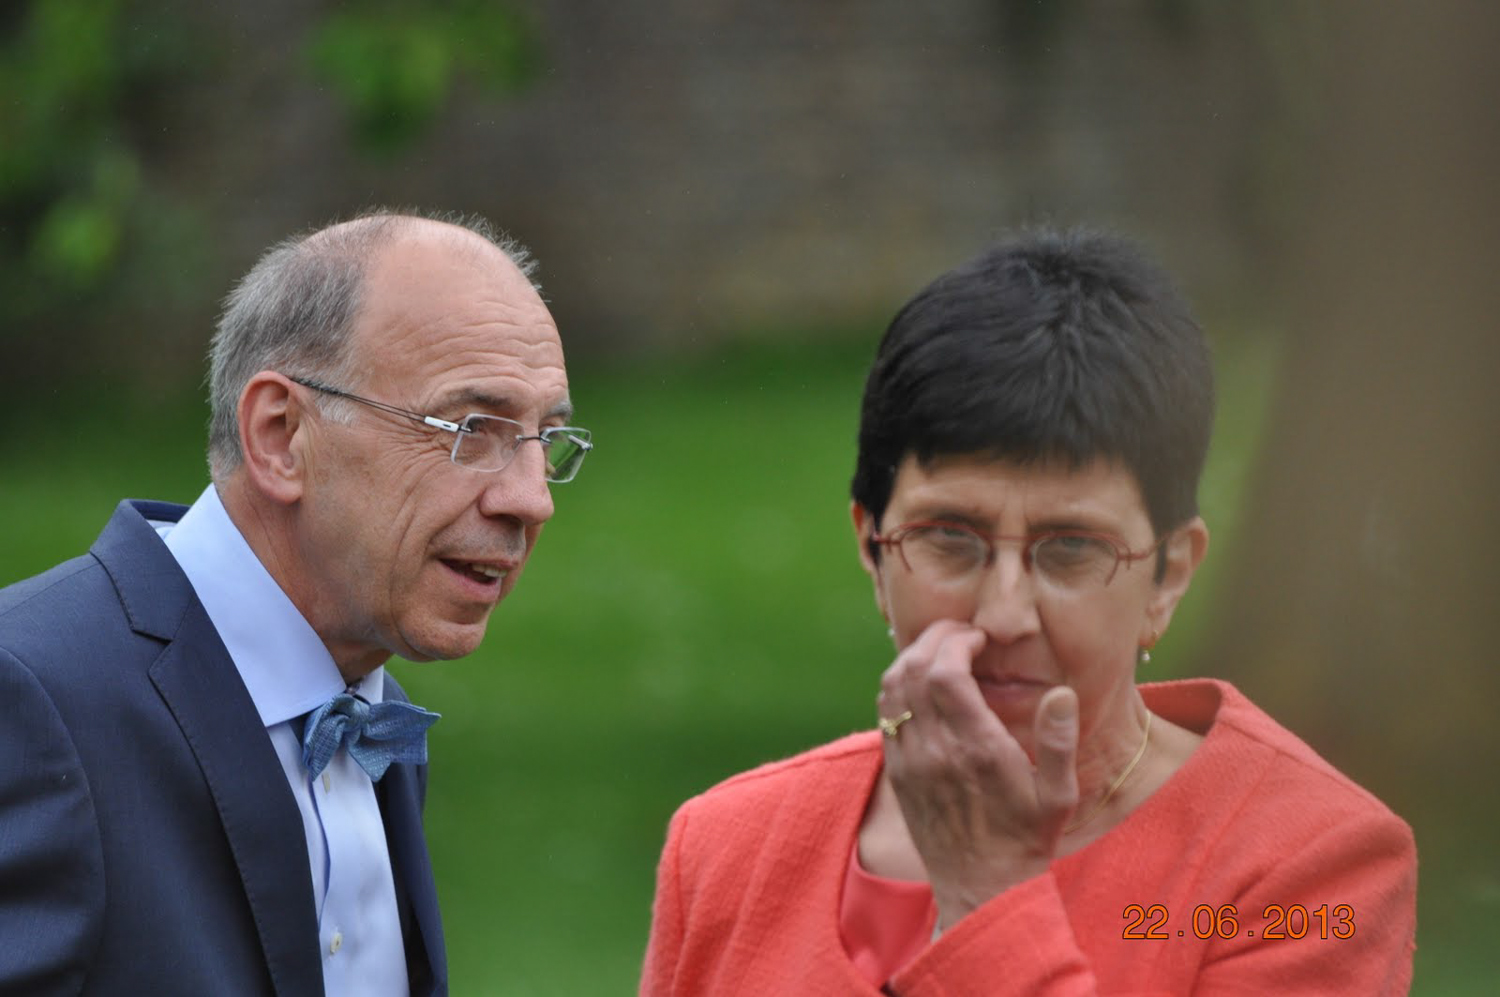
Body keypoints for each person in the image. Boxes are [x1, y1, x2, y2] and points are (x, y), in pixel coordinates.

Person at [640, 228, 1416, 995]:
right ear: (874, 550)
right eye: (950, 537)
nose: (1004, 613)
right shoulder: (728, 844)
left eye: (1071, 547)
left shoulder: (1306, 866)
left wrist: (987, 894)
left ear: (1167, 574)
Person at [0, 210, 593, 996]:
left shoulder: (374, 710)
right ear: (281, 435)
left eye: (546, 439)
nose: (532, 500)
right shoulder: (32, 696)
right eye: (471, 428)